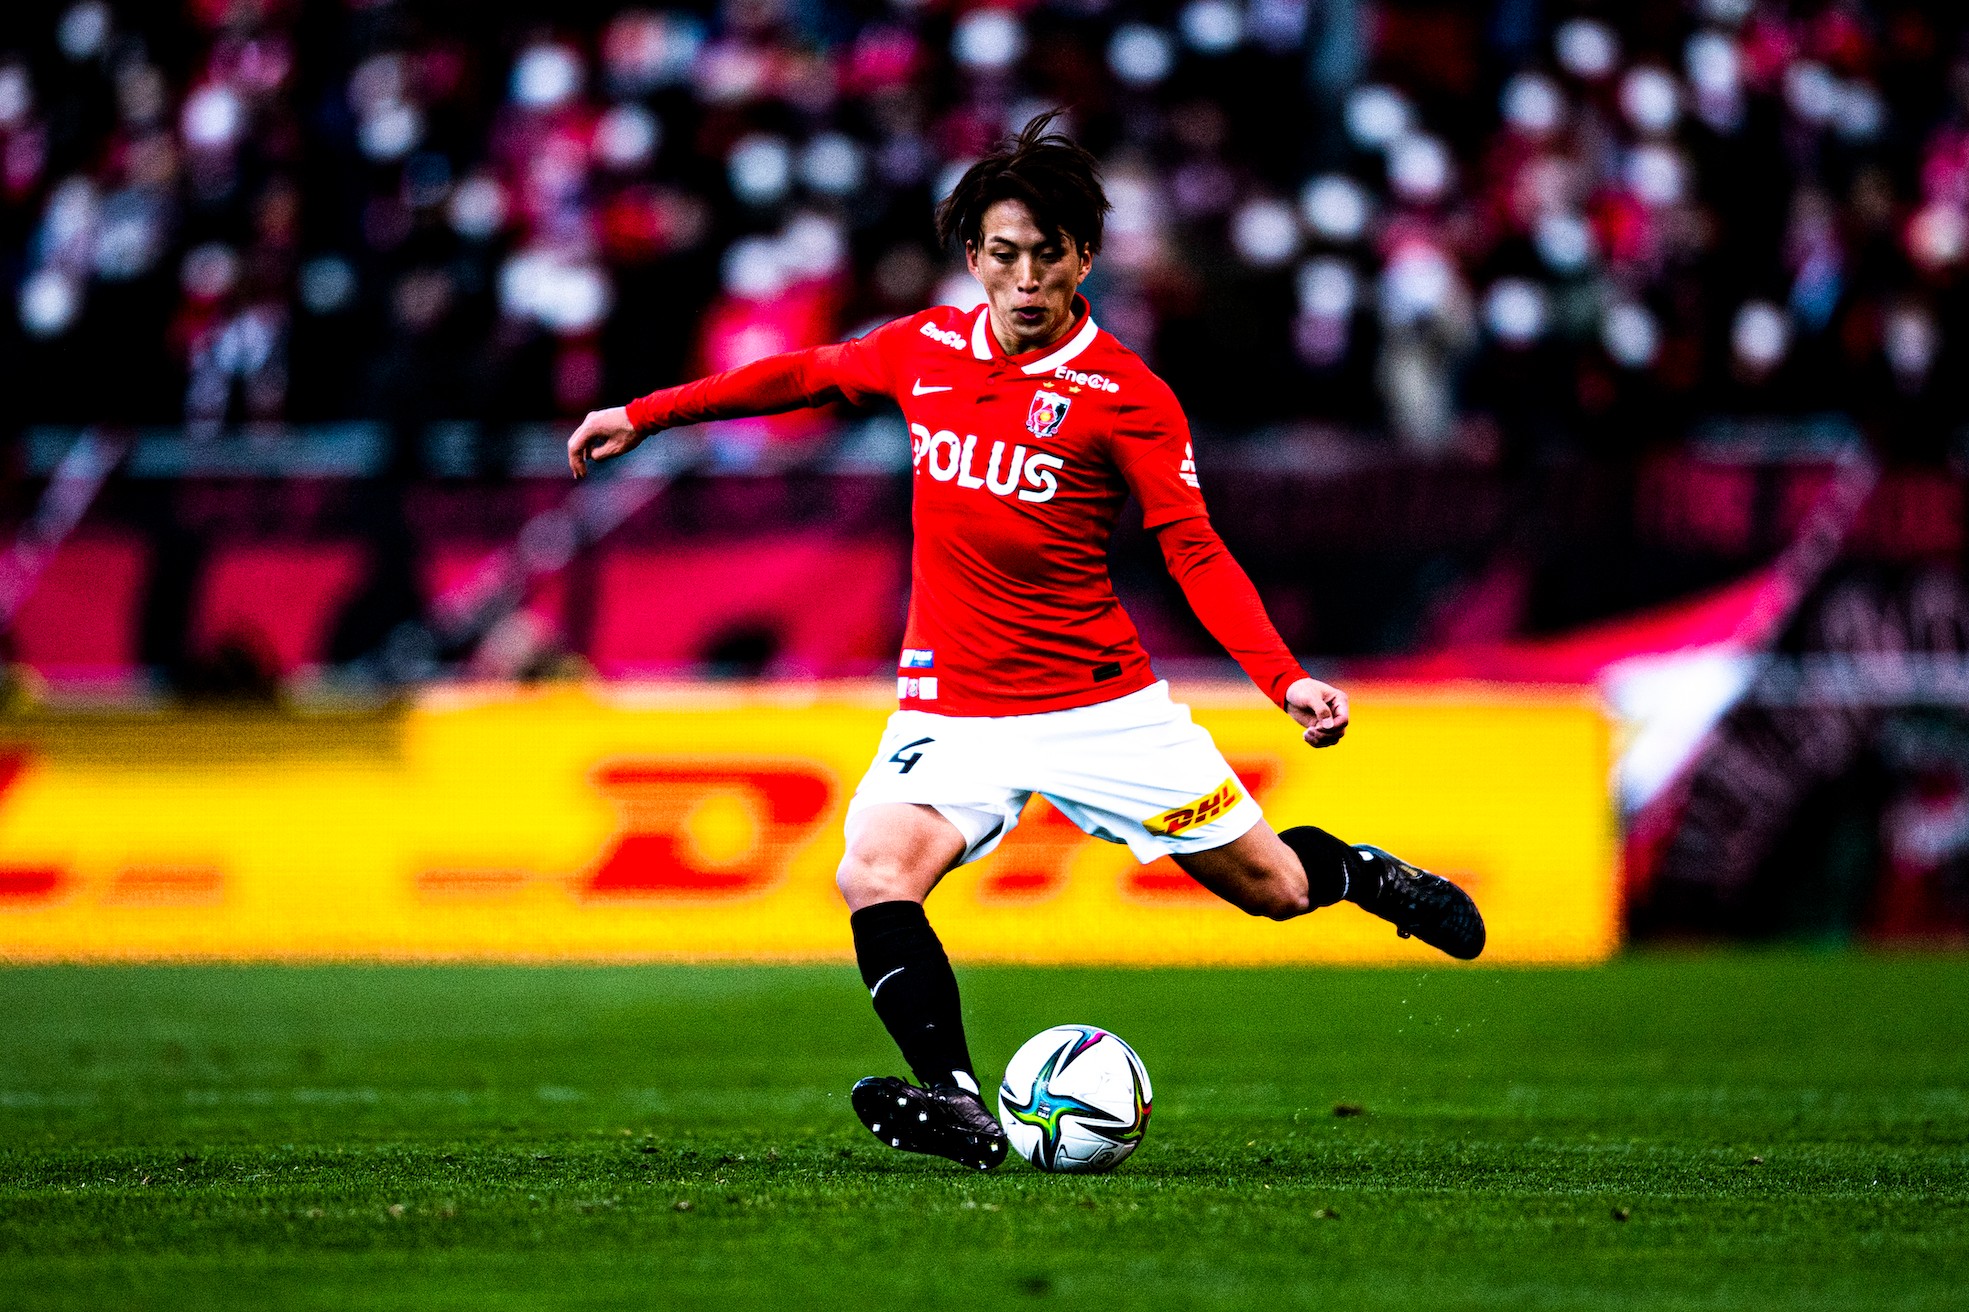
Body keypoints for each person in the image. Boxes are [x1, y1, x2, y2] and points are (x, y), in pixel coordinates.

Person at [566, 112, 1484, 1171]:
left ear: (1084, 258)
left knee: (1272, 888)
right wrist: (647, 413)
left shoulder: (1127, 396)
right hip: (953, 705)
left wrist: (1284, 681)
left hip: (1099, 707)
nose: (1026, 277)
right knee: (873, 872)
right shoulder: (924, 349)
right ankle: (953, 1097)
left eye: (1048, 254)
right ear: (974, 258)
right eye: (1004, 253)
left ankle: (1363, 877)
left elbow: (1192, 548)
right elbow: (805, 375)